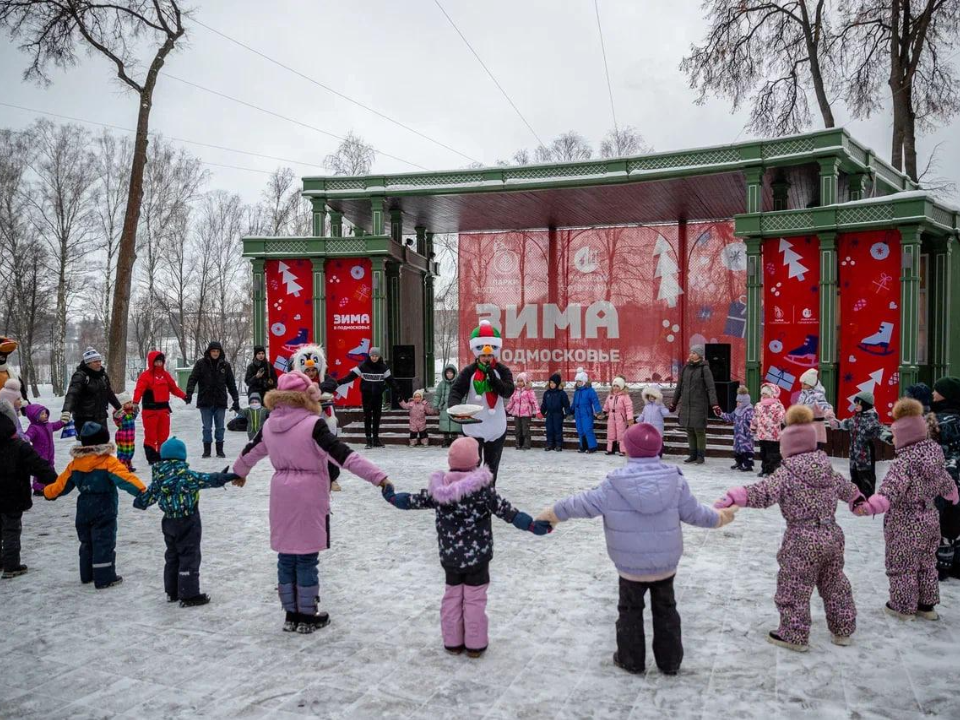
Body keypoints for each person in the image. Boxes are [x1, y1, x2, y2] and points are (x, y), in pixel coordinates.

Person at [537, 423, 735, 675]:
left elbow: (581, 504)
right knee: (667, 609)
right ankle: (670, 661)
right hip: (665, 564)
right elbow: (694, 513)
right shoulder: (675, 481)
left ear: (628, 449)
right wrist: (718, 518)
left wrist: (554, 513)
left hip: (630, 567)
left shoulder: (613, 485)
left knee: (629, 610)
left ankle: (631, 659)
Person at [231, 371, 389, 634]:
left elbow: (251, 451)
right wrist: (379, 477)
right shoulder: (314, 425)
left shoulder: (269, 425)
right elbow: (345, 456)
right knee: (305, 558)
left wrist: (239, 472)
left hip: (280, 495)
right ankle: (307, 613)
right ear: (308, 396)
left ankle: (290, 614)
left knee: (286, 556)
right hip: (309, 495)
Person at [381, 436, 551, 657]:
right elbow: (509, 513)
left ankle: (452, 642)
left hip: (450, 556)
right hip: (478, 557)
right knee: (475, 599)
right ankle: (475, 645)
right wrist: (533, 525)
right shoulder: (483, 491)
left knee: (452, 597)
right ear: (476, 461)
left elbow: (411, 500)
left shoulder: (439, 491)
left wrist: (391, 496)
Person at [715, 405, 862, 652]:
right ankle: (843, 629)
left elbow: (763, 493)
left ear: (788, 445)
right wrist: (859, 501)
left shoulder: (787, 473)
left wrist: (736, 496)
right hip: (832, 534)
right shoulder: (826, 468)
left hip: (801, 538)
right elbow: (849, 491)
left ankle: (794, 634)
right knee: (835, 582)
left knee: (794, 585)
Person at [854, 398, 959, 620]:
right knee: (927, 563)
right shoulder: (935, 457)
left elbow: (889, 492)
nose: (893, 439)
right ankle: (926, 605)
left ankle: (902, 606)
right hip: (930, 519)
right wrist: (953, 495)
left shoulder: (905, 463)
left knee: (903, 564)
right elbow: (947, 484)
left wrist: (870, 506)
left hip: (905, 521)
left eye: (895, 435)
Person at [133, 437, 240, 607]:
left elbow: (147, 497)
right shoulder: (186, 476)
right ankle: (189, 594)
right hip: (188, 520)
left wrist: (140, 502)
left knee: (172, 555)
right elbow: (207, 479)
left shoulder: (159, 478)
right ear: (182, 457)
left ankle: (172, 591)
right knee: (189, 555)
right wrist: (225, 477)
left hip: (168, 521)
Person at [44, 422, 146, 589]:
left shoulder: (75, 464)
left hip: (84, 507)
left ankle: (87, 574)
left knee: (86, 541)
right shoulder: (108, 462)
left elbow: (61, 485)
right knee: (103, 540)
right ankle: (104, 577)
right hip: (104, 505)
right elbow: (126, 480)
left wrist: (49, 492)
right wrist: (142, 492)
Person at [447, 321, 515, 484]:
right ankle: (472, 495)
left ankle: (488, 496)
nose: (486, 358)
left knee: (491, 467)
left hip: (496, 426)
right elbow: (456, 391)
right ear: (477, 353)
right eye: (483, 355)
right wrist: (454, 407)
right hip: (473, 426)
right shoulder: (469, 371)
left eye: (489, 355)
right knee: (472, 465)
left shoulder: (502, 371)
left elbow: (507, 391)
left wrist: (492, 376)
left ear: (494, 353)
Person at [0, 412, 58, 578]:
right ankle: (11, 566)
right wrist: (55, 481)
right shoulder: (20, 447)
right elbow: (38, 466)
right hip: (13, 496)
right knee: (11, 529)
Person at [928, 376, 960, 580]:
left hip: (941, 477)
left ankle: (939, 565)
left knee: (939, 520)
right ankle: (955, 563)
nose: (933, 393)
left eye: (936, 390)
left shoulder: (939, 421)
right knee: (955, 520)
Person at [336, 346, 400, 449]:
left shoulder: (384, 368)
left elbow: (390, 380)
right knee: (367, 417)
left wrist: (398, 390)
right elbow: (350, 377)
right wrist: (339, 382)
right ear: (369, 356)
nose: (374, 358)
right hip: (367, 395)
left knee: (377, 418)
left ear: (379, 356)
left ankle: (376, 439)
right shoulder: (363, 366)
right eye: (372, 356)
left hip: (378, 396)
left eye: (376, 356)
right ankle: (368, 440)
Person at [185, 341, 240, 459]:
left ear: (220, 352)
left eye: (217, 351)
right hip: (205, 401)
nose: (215, 353)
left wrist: (236, 399)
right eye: (213, 351)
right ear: (209, 352)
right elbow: (192, 379)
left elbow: (231, 384)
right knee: (207, 427)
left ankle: (220, 450)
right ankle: (207, 450)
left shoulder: (225, 366)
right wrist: (189, 393)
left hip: (220, 401)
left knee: (220, 427)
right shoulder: (201, 364)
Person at [133, 350, 187, 465]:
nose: (159, 364)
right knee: (151, 435)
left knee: (163, 434)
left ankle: (162, 455)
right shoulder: (145, 376)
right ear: (151, 362)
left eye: (161, 362)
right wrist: (135, 402)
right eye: (156, 362)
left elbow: (173, 388)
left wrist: (184, 396)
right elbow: (139, 390)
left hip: (164, 410)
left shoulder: (166, 375)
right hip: (150, 411)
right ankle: (152, 457)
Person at [670, 346, 720, 465]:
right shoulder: (686, 368)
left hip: (699, 404)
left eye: (694, 353)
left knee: (699, 430)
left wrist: (714, 404)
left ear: (700, 355)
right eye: (691, 352)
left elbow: (711, 388)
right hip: (686, 404)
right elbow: (679, 387)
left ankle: (700, 455)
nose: (691, 354)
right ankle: (692, 454)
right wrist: (674, 402)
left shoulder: (704, 369)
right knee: (689, 429)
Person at [831, 391, 885, 497]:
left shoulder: (871, 420)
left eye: (858, 403)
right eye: (855, 403)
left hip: (865, 458)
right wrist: (836, 424)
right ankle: (857, 501)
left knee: (866, 481)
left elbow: (879, 430)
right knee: (855, 481)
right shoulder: (856, 417)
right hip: (854, 458)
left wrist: (888, 436)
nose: (855, 405)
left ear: (865, 405)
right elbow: (846, 424)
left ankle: (868, 503)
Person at [61, 347, 121, 437]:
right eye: (95, 361)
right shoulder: (80, 376)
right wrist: (66, 410)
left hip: (101, 417)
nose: (99, 363)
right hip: (85, 419)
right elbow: (72, 394)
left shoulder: (103, 376)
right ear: (88, 363)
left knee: (102, 446)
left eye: (99, 361)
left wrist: (118, 407)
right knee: (87, 447)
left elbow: (109, 393)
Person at [23, 404, 65, 495]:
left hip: (50, 452)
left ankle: (51, 484)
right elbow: (28, 434)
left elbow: (56, 425)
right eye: (42, 414)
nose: (45, 415)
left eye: (45, 413)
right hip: (39, 453)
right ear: (35, 417)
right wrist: (26, 438)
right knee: (40, 470)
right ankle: (38, 488)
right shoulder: (34, 428)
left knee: (50, 467)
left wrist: (63, 422)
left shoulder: (48, 425)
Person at [715, 386, 755, 472]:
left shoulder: (749, 411)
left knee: (746, 449)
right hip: (737, 435)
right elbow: (729, 417)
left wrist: (751, 430)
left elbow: (753, 422)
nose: (737, 403)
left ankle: (748, 465)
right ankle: (739, 462)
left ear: (745, 402)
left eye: (739, 402)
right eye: (737, 401)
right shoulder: (737, 410)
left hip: (745, 435)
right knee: (737, 449)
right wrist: (721, 414)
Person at [751, 382, 786, 477]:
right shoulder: (759, 405)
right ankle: (764, 469)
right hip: (762, 433)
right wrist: (753, 426)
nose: (764, 395)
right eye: (762, 393)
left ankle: (772, 470)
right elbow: (755, 416)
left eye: (766, 393)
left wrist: (786, 421)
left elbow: (782, 417)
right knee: (763, 453)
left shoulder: (777, 405)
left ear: (772, 394)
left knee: (773, 453)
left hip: (773, 434)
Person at [797, 368, 836, 450]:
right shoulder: (802, 395)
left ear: (811, 384)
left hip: (816, 429)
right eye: (801, 383)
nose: (802, 386)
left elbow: (825, 407)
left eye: (804, 384)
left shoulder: (817, 396)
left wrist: (831, 418)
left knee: (815, 454)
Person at [571, 368, 603, 454]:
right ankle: (583, 446)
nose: (578, 383)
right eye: (577, 381)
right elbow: (574, 403)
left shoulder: (590, 391)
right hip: (578, 414)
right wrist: (570, 412)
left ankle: (592, 446)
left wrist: (598, 411)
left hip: (587, 414)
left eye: (580, 381)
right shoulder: (577, 392)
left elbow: (595, 401)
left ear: (584, 381)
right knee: (580, 430)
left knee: (587, 429)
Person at [505, 372, 539, 451]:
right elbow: (511, 402)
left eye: (521, 381)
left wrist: (537, 411)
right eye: (518, 381)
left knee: (525, 430)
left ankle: (526, 444)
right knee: (517, 430)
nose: (519, 383)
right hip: (517, 414)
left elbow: (534, 401)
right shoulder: (515, 391)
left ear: (525, 382)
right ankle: (518, 444)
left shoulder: (529, 391)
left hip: (526, 414)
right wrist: (507, 409)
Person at [603, 376, 635, 456]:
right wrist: (604, 411)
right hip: (611, 416)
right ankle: (610, 449)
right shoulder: (610, 395)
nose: (615, 388)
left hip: (620, 417)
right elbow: (606, 404)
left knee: (621, 433)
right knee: (611, 432)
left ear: (621, 387)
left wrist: (630, 418)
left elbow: (629, 408)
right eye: (614, 386)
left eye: (617, 386)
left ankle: (622, 450)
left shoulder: (625, 396)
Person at [540, 372, 570, 452]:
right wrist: (541, 412)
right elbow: (544, 405)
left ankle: (558, 445)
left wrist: (568, 412)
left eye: (553, 383)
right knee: (549, 429)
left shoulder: (562, 393)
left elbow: (566, 404)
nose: (552, 384)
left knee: (558, 430)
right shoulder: (547, 393)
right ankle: (549, 444)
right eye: (550, 383)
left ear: (557, 383)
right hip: (549, 414)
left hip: (558, 414)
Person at [433, 364, 461, 448]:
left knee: (454, 424)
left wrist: (462, 405)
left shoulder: (458, 383)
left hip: (455, 407)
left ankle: (454, 440)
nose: (449, 375)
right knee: (445, 424)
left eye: (451, 373)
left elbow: (462, 395)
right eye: (448, 373)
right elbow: (437, 395)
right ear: (445, 374)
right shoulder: (442, 384)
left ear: (454, 374)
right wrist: (435, 405)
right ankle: (446, 440)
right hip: (444, 407)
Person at [112, 395, 140, 472]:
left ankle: (128, 465)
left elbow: (133, 418)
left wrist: (135, 412)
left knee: (130, 451)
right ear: (122, 404)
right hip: (122, 437)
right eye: (128, 403)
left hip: (130, 437)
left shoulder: (130, 412)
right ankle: (121, 467)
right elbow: (117, 417)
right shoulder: (121, 413)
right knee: (123, 453)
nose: (130, 404)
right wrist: (118, 413)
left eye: (130, 402)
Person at [0, 336, 29, 403]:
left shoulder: (13, 375)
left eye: (3, 356)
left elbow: (22, 396)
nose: (2, 358)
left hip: (12, 410)